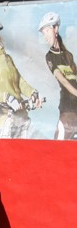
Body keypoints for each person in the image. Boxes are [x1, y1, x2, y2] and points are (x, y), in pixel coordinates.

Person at [0, 8, 42, 138]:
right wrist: (6, 98)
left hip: (22, 119)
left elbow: (20, 82)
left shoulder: (7, 57)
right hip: (6, 120)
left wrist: (33, 93)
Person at [38, 11, 77, 140]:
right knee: (59, 149)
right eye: (43, 34)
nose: (45, 37)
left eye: (47, 31)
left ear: (56, 29)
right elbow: (63, 81)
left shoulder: (68, 55)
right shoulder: (49, 56)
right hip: (67, 110)